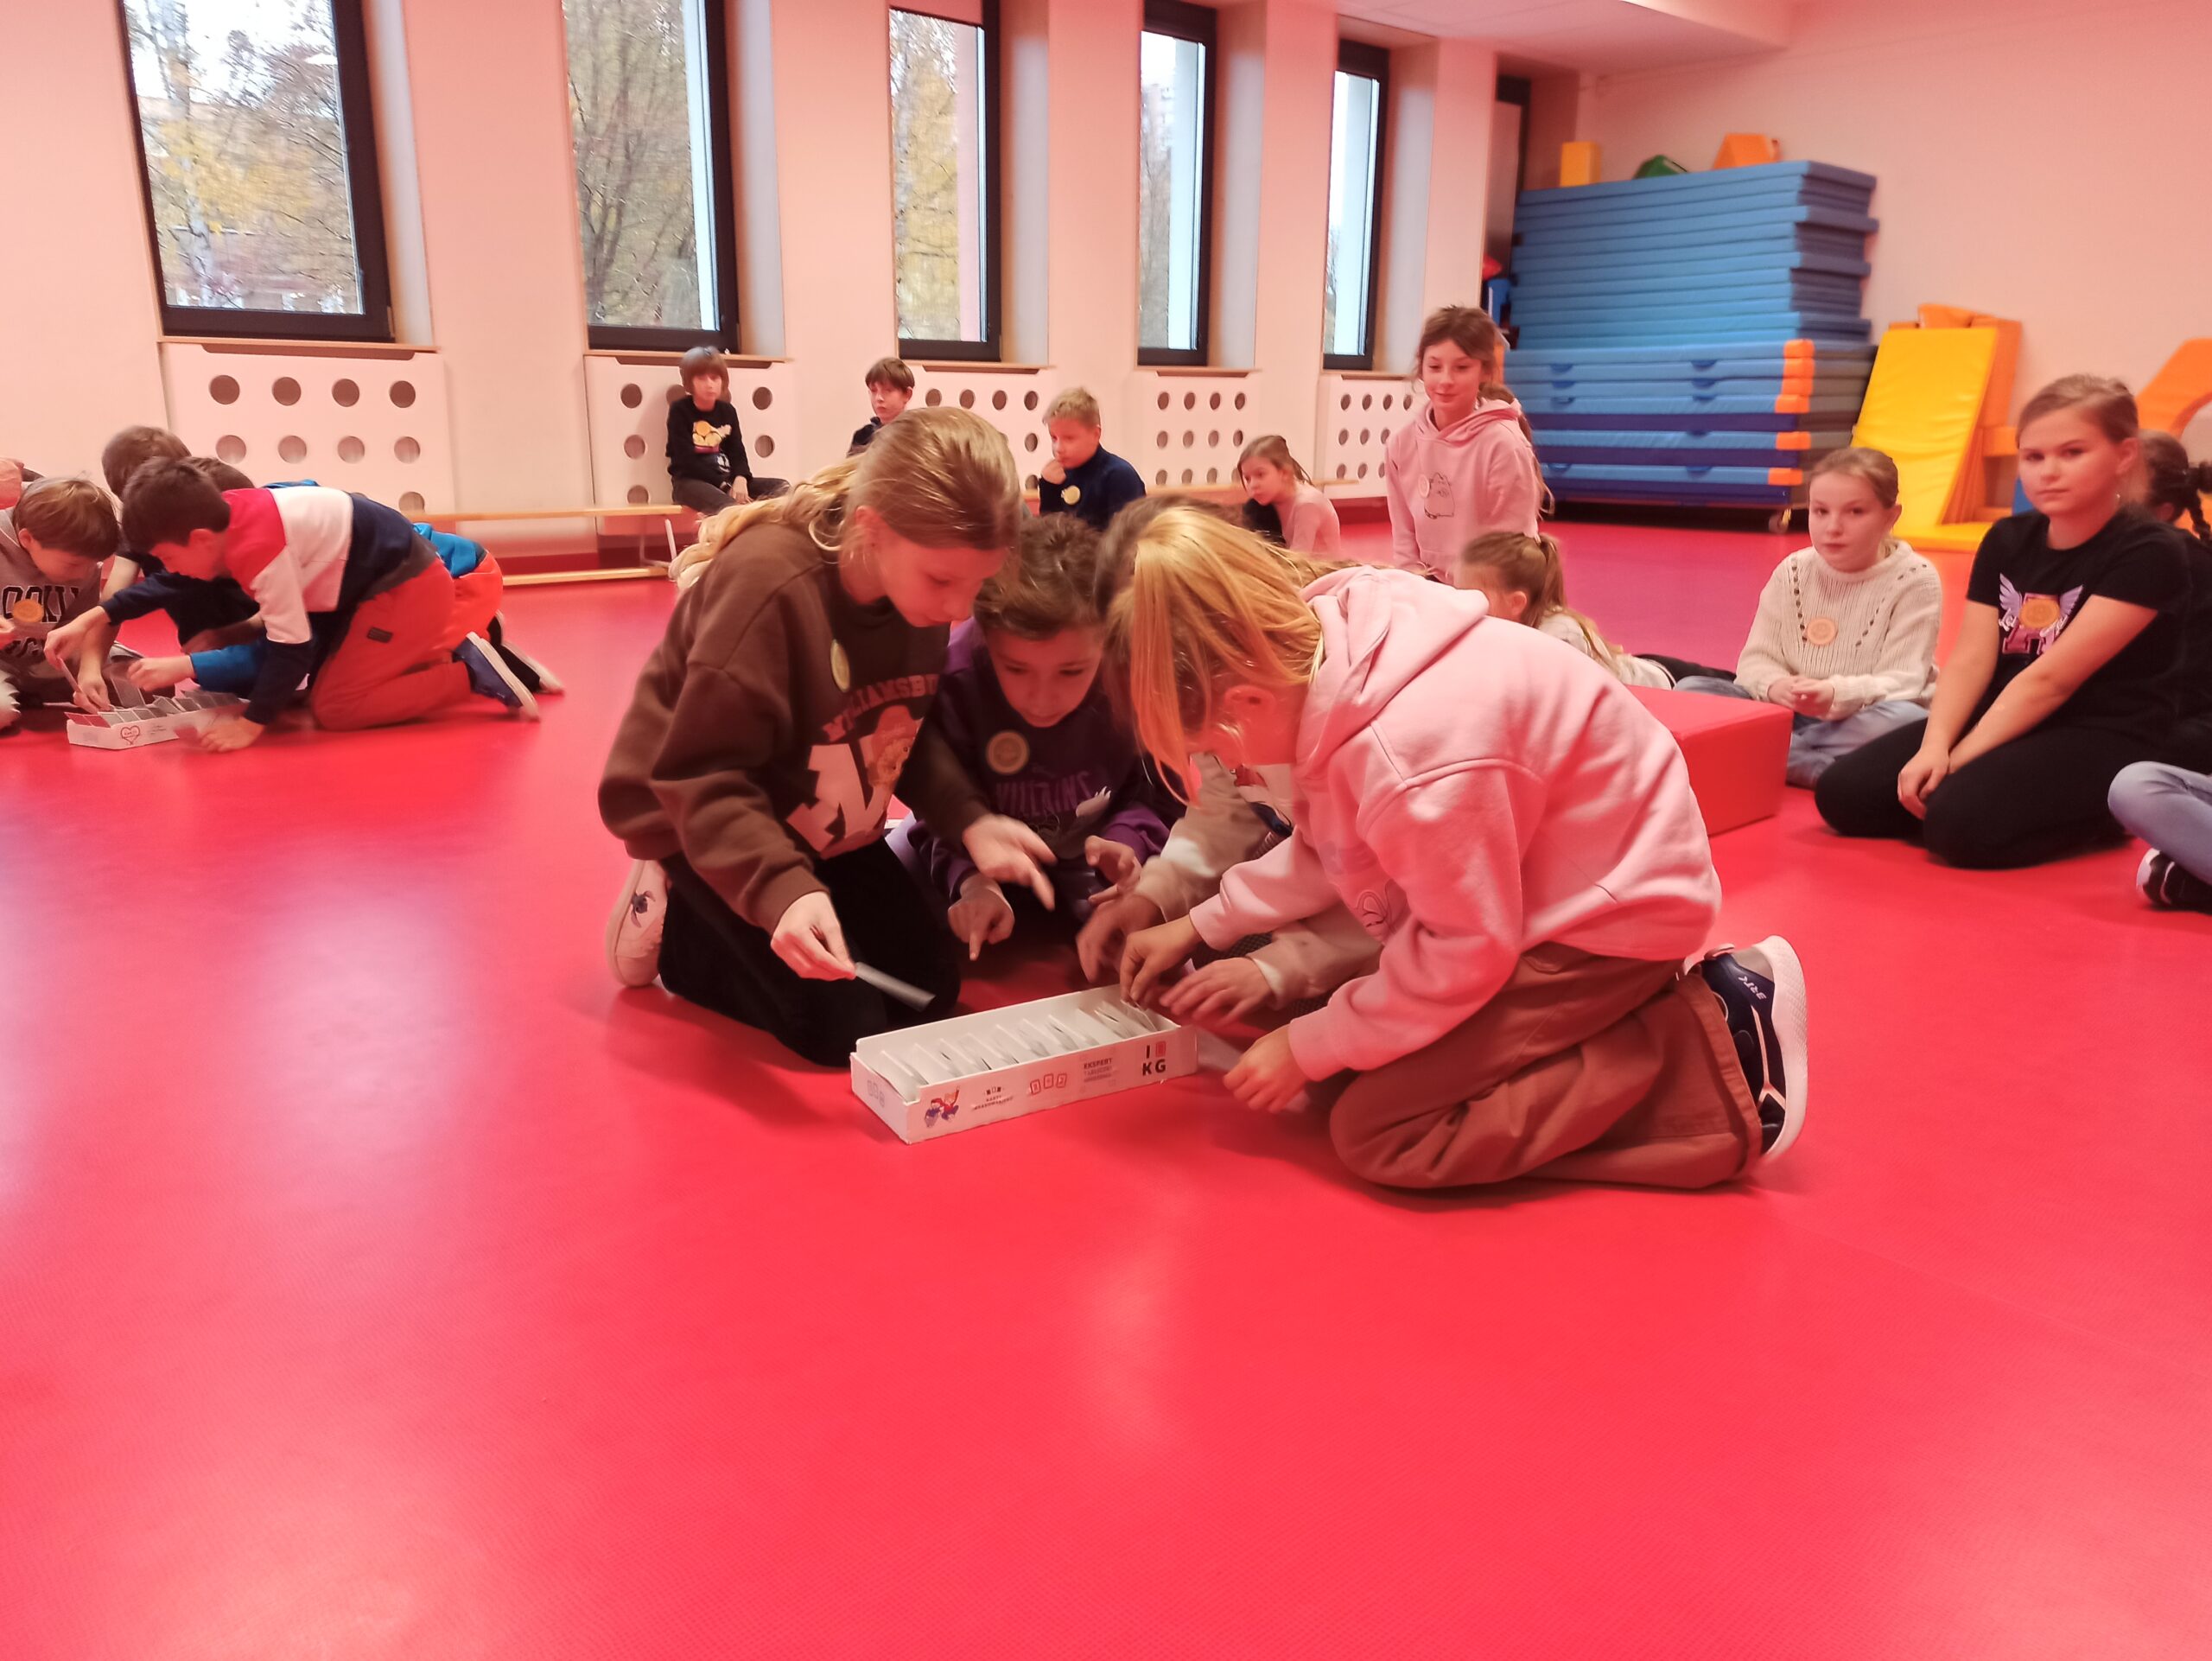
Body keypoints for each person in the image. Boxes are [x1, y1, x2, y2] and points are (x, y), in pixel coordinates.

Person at [1110, 506, 1807, 1193]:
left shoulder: (1407, 755)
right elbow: (1331, 851)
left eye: (1217, 750)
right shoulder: (1334, 656)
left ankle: (1712, 1057)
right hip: (1552, 892)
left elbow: (1465, 949)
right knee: (1344, 1072)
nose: (1233, 772)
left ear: (1248, 703)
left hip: (1610, 922)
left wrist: (1309, 1043)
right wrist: (1198, 924)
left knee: (1383, 1133)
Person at [599, 407, 1061, 1066]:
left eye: (976, 584)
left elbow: (902, 724)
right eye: (942, 581)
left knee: (930, 993)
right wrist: (781, 892)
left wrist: (970, 821)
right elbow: (702, 773)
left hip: (821, 816)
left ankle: (748, 897)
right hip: (702, 813)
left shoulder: (916, 587)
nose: (959, 610)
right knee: (838, 1027)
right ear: (872, 529)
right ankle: (680, 919)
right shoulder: (770, 584)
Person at [1815, 376, 2191, 869]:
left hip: (2100, 730)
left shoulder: (2150, 551)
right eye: (2033, 457)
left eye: (2072, 453)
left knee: (1957, 825)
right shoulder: (2007, 538)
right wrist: (1934, 747)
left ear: (2123, 455)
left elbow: (2052, 680)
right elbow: (1971, 659)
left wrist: (1958, 761)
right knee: (1843, 794)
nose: (2048, 472)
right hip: (2003, 712)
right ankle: (1983, 796)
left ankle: (2100, 817)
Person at [1073, 497, 1379, 1028]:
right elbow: (1232, 808)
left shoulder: (1358, 718)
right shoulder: (1237, 682)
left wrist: (1286, 969)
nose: (1220, 760)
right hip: (1367, 878)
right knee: (1213, 946)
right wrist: (1159, 897)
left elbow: (1393, 889)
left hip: (1457, 923)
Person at [44, 462, 537, 748]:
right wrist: (94, 616)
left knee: (338, 709)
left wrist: (251, 725)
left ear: (199, 539)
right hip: (373, 586)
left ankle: (469, 670)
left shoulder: (262, 553)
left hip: (405, 589)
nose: (168, 569)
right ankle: (447, 657)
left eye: (169, 557)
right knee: (329, 690)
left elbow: (291, 649)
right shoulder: (230, 514)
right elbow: (172, 583)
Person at [892, 514, 1176, 958]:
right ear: (986, 640)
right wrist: (973, 883)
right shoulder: (954, 679)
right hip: (977, 859)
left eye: (1072, 671)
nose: (1042, 700)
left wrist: (1126, 842)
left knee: (1124, 940)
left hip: (1094, 854)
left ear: (1107, 642)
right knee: (915, 932)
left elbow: (1159, 790)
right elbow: (938, 808)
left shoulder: (1135, 676)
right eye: (1016, 668)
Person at [1672, 448, 1942, 786]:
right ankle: (1825, 773)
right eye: (1820, 511)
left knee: (1909, 722)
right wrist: (1775, 686)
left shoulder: (1915, 579)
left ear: (1891, 517)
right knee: (1691, 691)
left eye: (1855, 512)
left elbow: (1904, 681)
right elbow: (1756, 661)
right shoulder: (1793, 570)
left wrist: (1834, 693)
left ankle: (1770, 753)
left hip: (1859, 720)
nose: (1833, 527)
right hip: (1785, 716)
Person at [2108, 430, 2212, 910]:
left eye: (2118, 493)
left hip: (2182, 722)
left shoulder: (2177, 563)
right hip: (2159, 723)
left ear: (2164, 511)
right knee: (2136, 786)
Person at [1384, 305, 1542, 580]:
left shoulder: (1504, 445)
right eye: (1435, 367)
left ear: (1485, 371)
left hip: (1493, 585)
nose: (1445, 380)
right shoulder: (1401, 444)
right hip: (1429, 586)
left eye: (1462, 367)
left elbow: (1511, 546)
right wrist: (1414, 586)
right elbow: (1405, 541)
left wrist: (1470, 595)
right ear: (1421, 368)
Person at [1456, 531, 1680, 690]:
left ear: (1515, 603)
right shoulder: (1497, 627)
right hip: (1630, 666)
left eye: (1471, 594)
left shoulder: (1558, 638)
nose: (1458, 601)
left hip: (1659, 684)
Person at [0, 478, 123, 731]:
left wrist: (90, 670)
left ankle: (25, 693)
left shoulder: (81, 559)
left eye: (94, 564)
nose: (84, 573)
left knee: (145, 683)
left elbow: (84, 626)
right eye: (74, 564)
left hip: (50, 661)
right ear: (27, 539)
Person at [666, 346, 786, 516]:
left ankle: (764, 525)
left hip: (727, 479)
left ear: (723, 381)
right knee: (729, 507)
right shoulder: (680, 410)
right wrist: (725, 486)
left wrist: (741, 478)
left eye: (714, 378)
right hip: (689, 483)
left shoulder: (728, 411)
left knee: (783, 488)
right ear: (689, 382)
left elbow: (737, 451)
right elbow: (685, 461)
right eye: (701, 378)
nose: (709, 384)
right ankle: (741, 528)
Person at [1037, 387, 1145, 532]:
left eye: (1069, 438)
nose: (1058, 448)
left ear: (1095, 434)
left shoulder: (1119, 476)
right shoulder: (1056, 476)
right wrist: (1049, 488)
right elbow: (1047, 535)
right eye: (1054, 438)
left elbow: (1124, 539)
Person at [1236, 435, 1340, 557]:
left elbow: (1298, 559)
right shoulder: (1265, 502)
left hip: (1320, 567)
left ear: (1284, 473)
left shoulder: (1307, 504)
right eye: (1247, 478)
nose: (1253, 485)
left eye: (1260, 475)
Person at [849, 357, 914, 455]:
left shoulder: (918, 435)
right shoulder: (862, 437)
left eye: (888, 390)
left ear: (907, 394)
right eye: (873, 391)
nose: (879, 398)